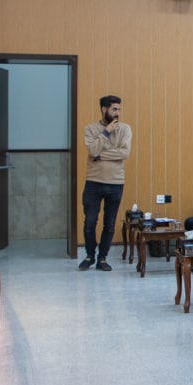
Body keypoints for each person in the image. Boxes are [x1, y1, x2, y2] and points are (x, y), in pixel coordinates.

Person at [80, 94, 132, 271]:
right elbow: (92, 150)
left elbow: (124, 153)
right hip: (93, 181)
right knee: (90, 221)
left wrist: (100, 155)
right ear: (104, 109)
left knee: (109, 224)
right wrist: (106, 132)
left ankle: (102, 258)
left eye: (119, 109)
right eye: (114, 109)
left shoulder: (125, 129)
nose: (117, 113)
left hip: (116, 182)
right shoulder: (90, 129)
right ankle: (89, 256)